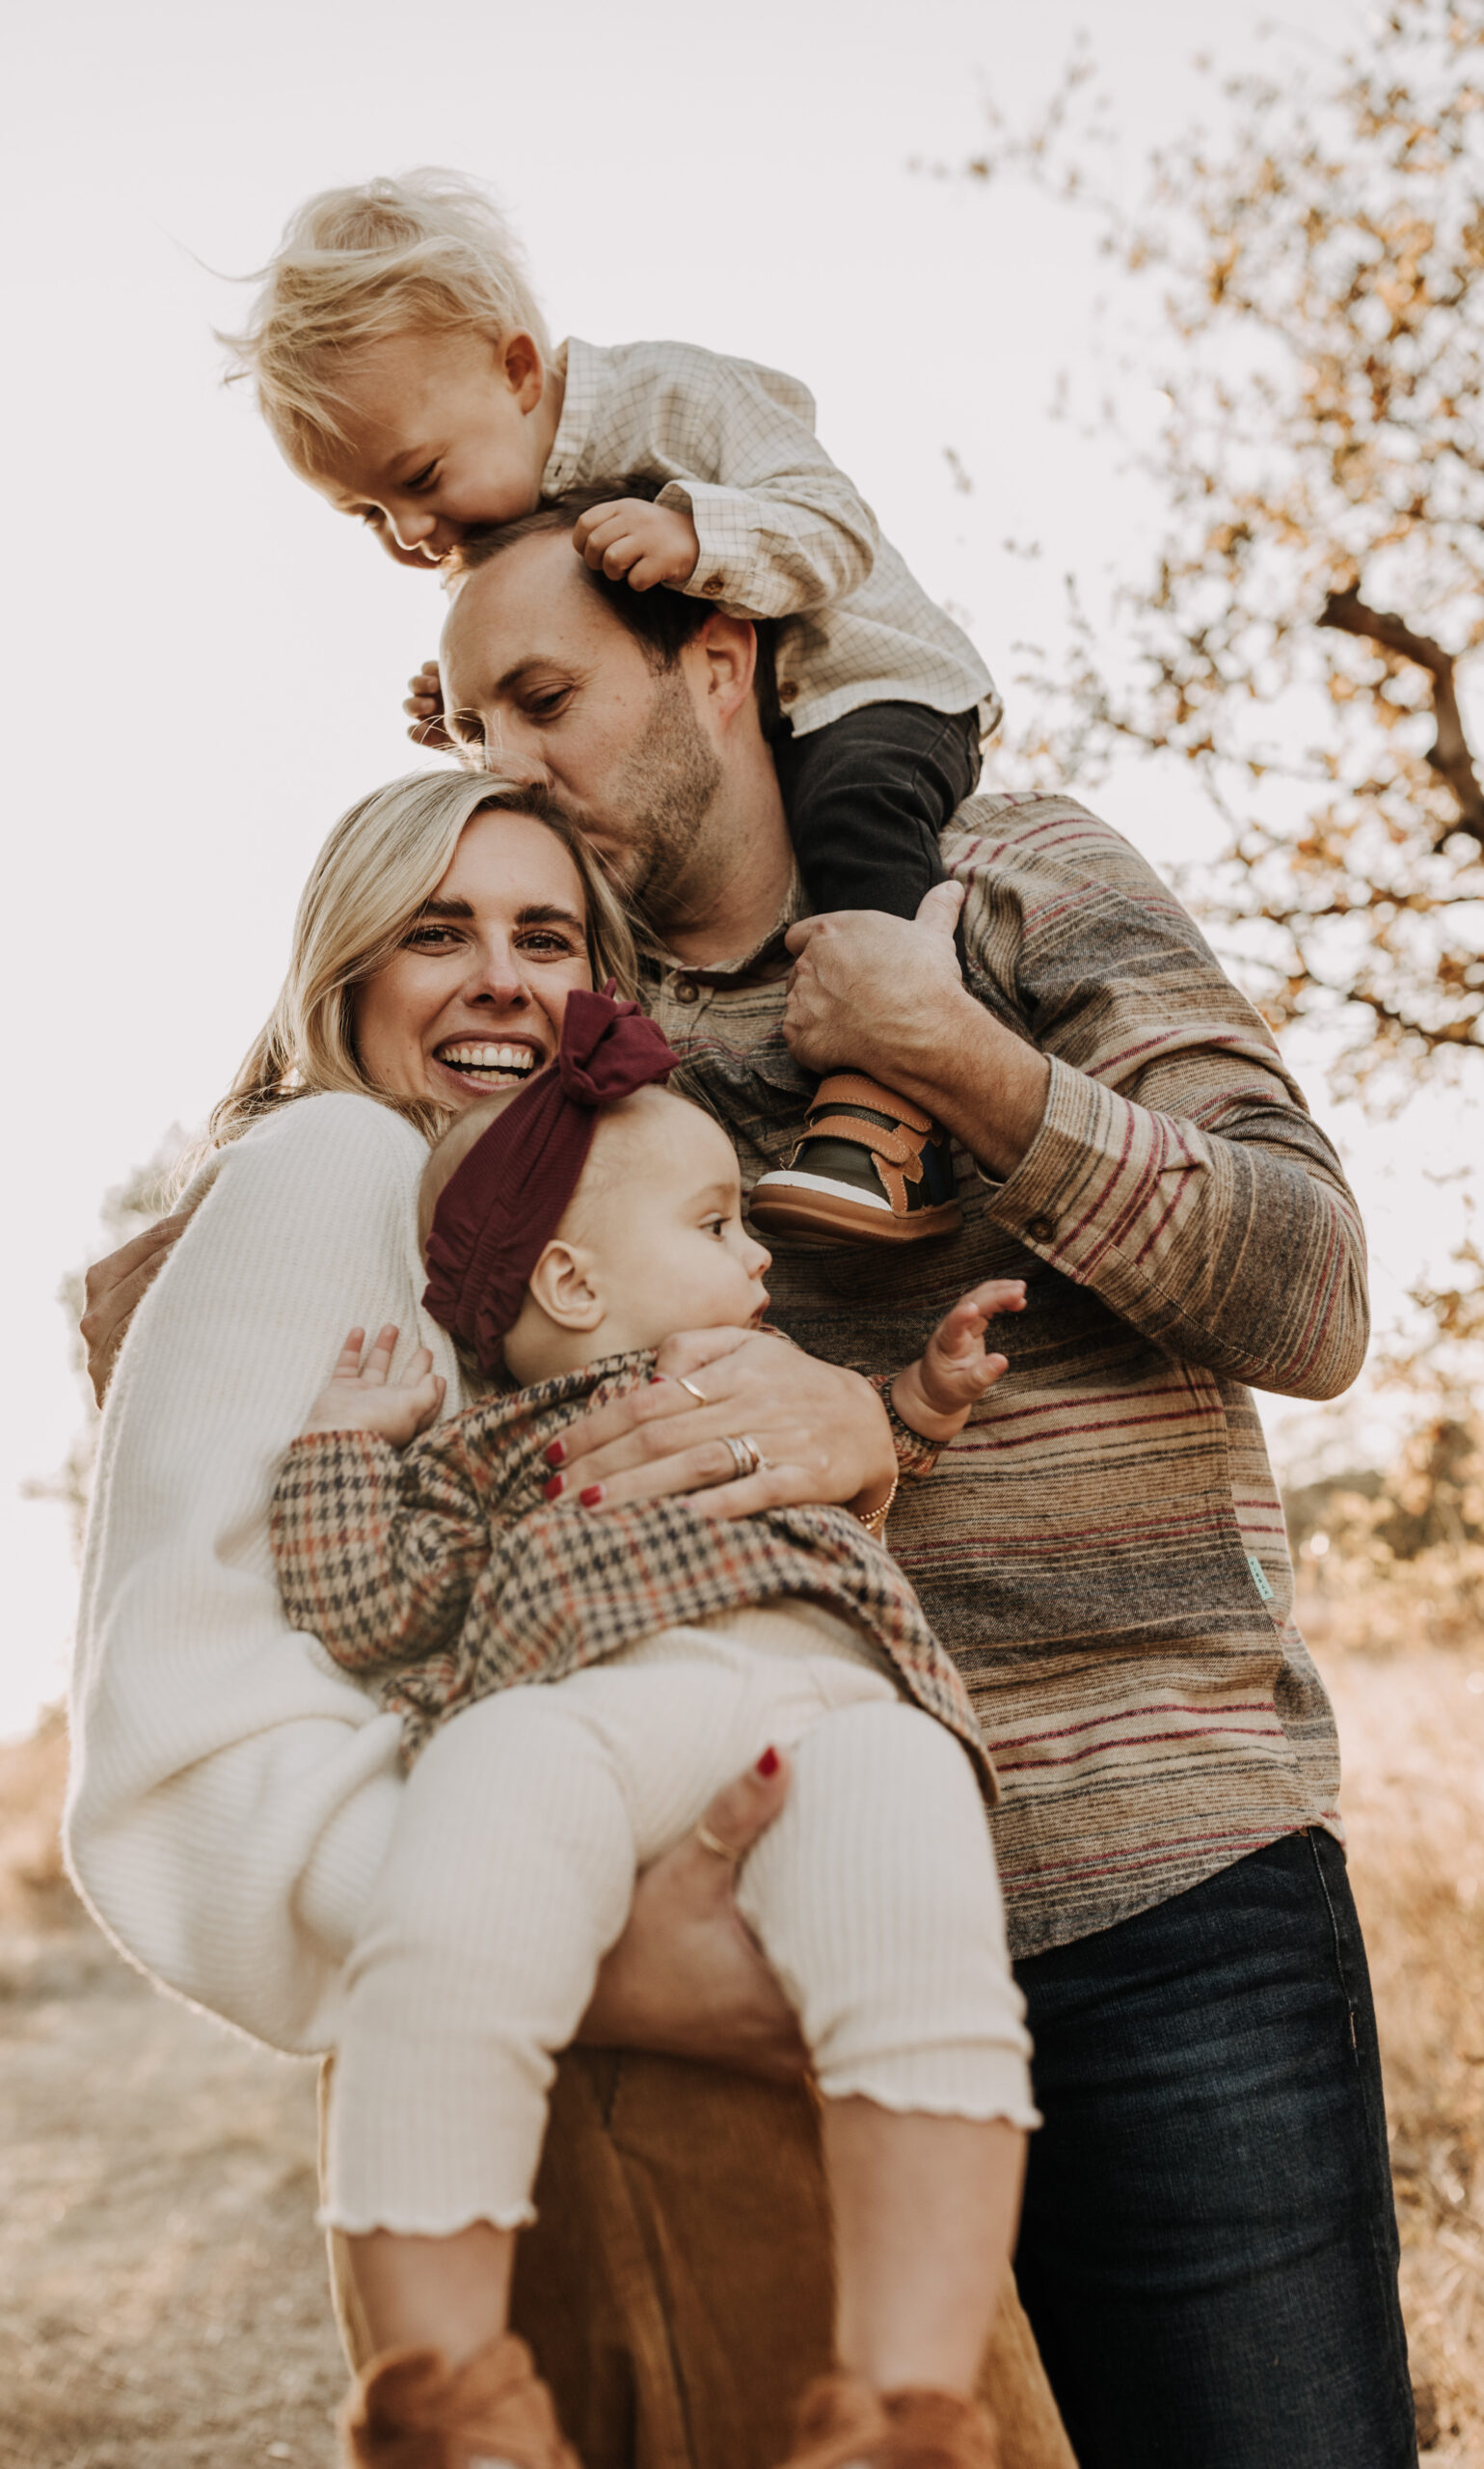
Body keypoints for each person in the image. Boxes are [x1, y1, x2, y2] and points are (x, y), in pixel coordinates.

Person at [404, 503, 1411, 2469]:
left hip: (1160, 1887)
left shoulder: (1009, 877)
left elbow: (1311, 1293)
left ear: (717, 664)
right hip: (766, 1964)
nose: (507, 770)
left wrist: (968, 1067)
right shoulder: (546, 1030)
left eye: (545, 699)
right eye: (467, 730)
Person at [67, 772, 1072, 2469]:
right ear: (342, 974)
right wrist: (610, 1949)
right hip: (589, 2086)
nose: (500, 981)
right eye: (433, 933)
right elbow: (178, 1728)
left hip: (755, 2026)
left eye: (544, 936)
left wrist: (854, 1434)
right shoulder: (335, 1161)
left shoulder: (576, 1228)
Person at [272, 986, 1036, 2469]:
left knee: (929, 1979)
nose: (757, 1257)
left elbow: (844, 1451)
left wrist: (917, 1409)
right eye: (712, 1226)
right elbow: (368, 1603)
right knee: (443, 1938)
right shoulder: (480, 1447)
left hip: (840, 1703)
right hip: (581, 1704)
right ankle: (446, 2398)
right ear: (566, 1279)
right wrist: (334, 1450)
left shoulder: (771, 1380)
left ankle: (907, 2407)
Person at [218, 168, 1000, 1246]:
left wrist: (697, 538)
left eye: (419, 476)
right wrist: (456, 699)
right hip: (766, 731)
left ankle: (889, 1119)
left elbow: (834, 521)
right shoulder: (498, 515)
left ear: (519, 368)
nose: (409, 534)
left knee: (855, 822)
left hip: (870, 688)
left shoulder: (675, 400)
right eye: (369, 515)